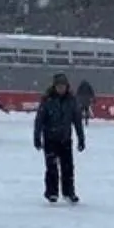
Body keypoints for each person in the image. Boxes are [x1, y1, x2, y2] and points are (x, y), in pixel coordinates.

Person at [33, 73, 85, 204]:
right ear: (54, 87)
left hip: (65, 138)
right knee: (52, 167)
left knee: (68, 167)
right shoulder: (47, 100)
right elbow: (39, 120)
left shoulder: (72, 101)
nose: (61, 89)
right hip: (50, 138)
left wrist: (81, 138)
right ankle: (52, 192)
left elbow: (77, 120)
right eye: (59, 86)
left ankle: (69, 192)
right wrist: (37, 137)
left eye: (63, 86)